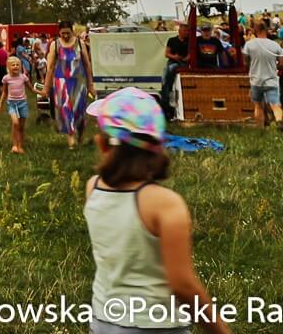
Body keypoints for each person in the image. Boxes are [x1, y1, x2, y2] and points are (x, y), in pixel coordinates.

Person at [82, 89, 233, 334]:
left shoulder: (93, 188)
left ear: (102, 144)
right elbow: (182, 285)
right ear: (158, 147)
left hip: (103, 320)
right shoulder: (164, 204)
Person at [45, 25, 94, 148]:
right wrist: (46, 86)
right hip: (61, 82)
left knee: (79, 111)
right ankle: (71, 138)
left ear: (72, 31)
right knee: (65, 108)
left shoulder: (80, 43)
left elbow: (87, 65)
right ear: (59, 33)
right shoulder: (55, 45)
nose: (66, 36)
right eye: (63, 33)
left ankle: (80, 136)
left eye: (68, 33)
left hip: (79, 81)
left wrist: (90, 85)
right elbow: (50, 68)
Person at [241, 23, 283, 129]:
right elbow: (282, 64)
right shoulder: (274, 45)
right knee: (275, 105)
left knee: (258, 106)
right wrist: (275, 67)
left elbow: (245, 62)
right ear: (266, 30)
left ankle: (261, 128)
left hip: (256, 80)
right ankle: (279, 120)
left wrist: (250, 68)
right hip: (271, 80)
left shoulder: (249, 45)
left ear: (255, 31)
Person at [0, 55, 32, 156]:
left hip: (23, 103)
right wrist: (0, 103)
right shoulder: (6, 78)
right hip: (12, 103)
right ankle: (14, 145)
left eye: (17, 65)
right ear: (8, 67)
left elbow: (31, 88)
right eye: (13, 65)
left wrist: (42, 92)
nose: (15, 66)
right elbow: (4, 92)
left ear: (20, 66)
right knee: (15, 123)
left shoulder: (23, 77)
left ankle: (20, 145)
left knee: (21, 126)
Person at [162, 21, 192, 120]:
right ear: (179, 31)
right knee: (169, 70)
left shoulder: (190, 41)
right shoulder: (172, 40)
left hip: (184, 63)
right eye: (185, 30)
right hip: (173, 62)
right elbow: (167, 54)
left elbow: (191, 54)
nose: (187, 32)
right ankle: (166, 91)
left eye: (188, 31)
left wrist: (186, 58)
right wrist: (175, 57)